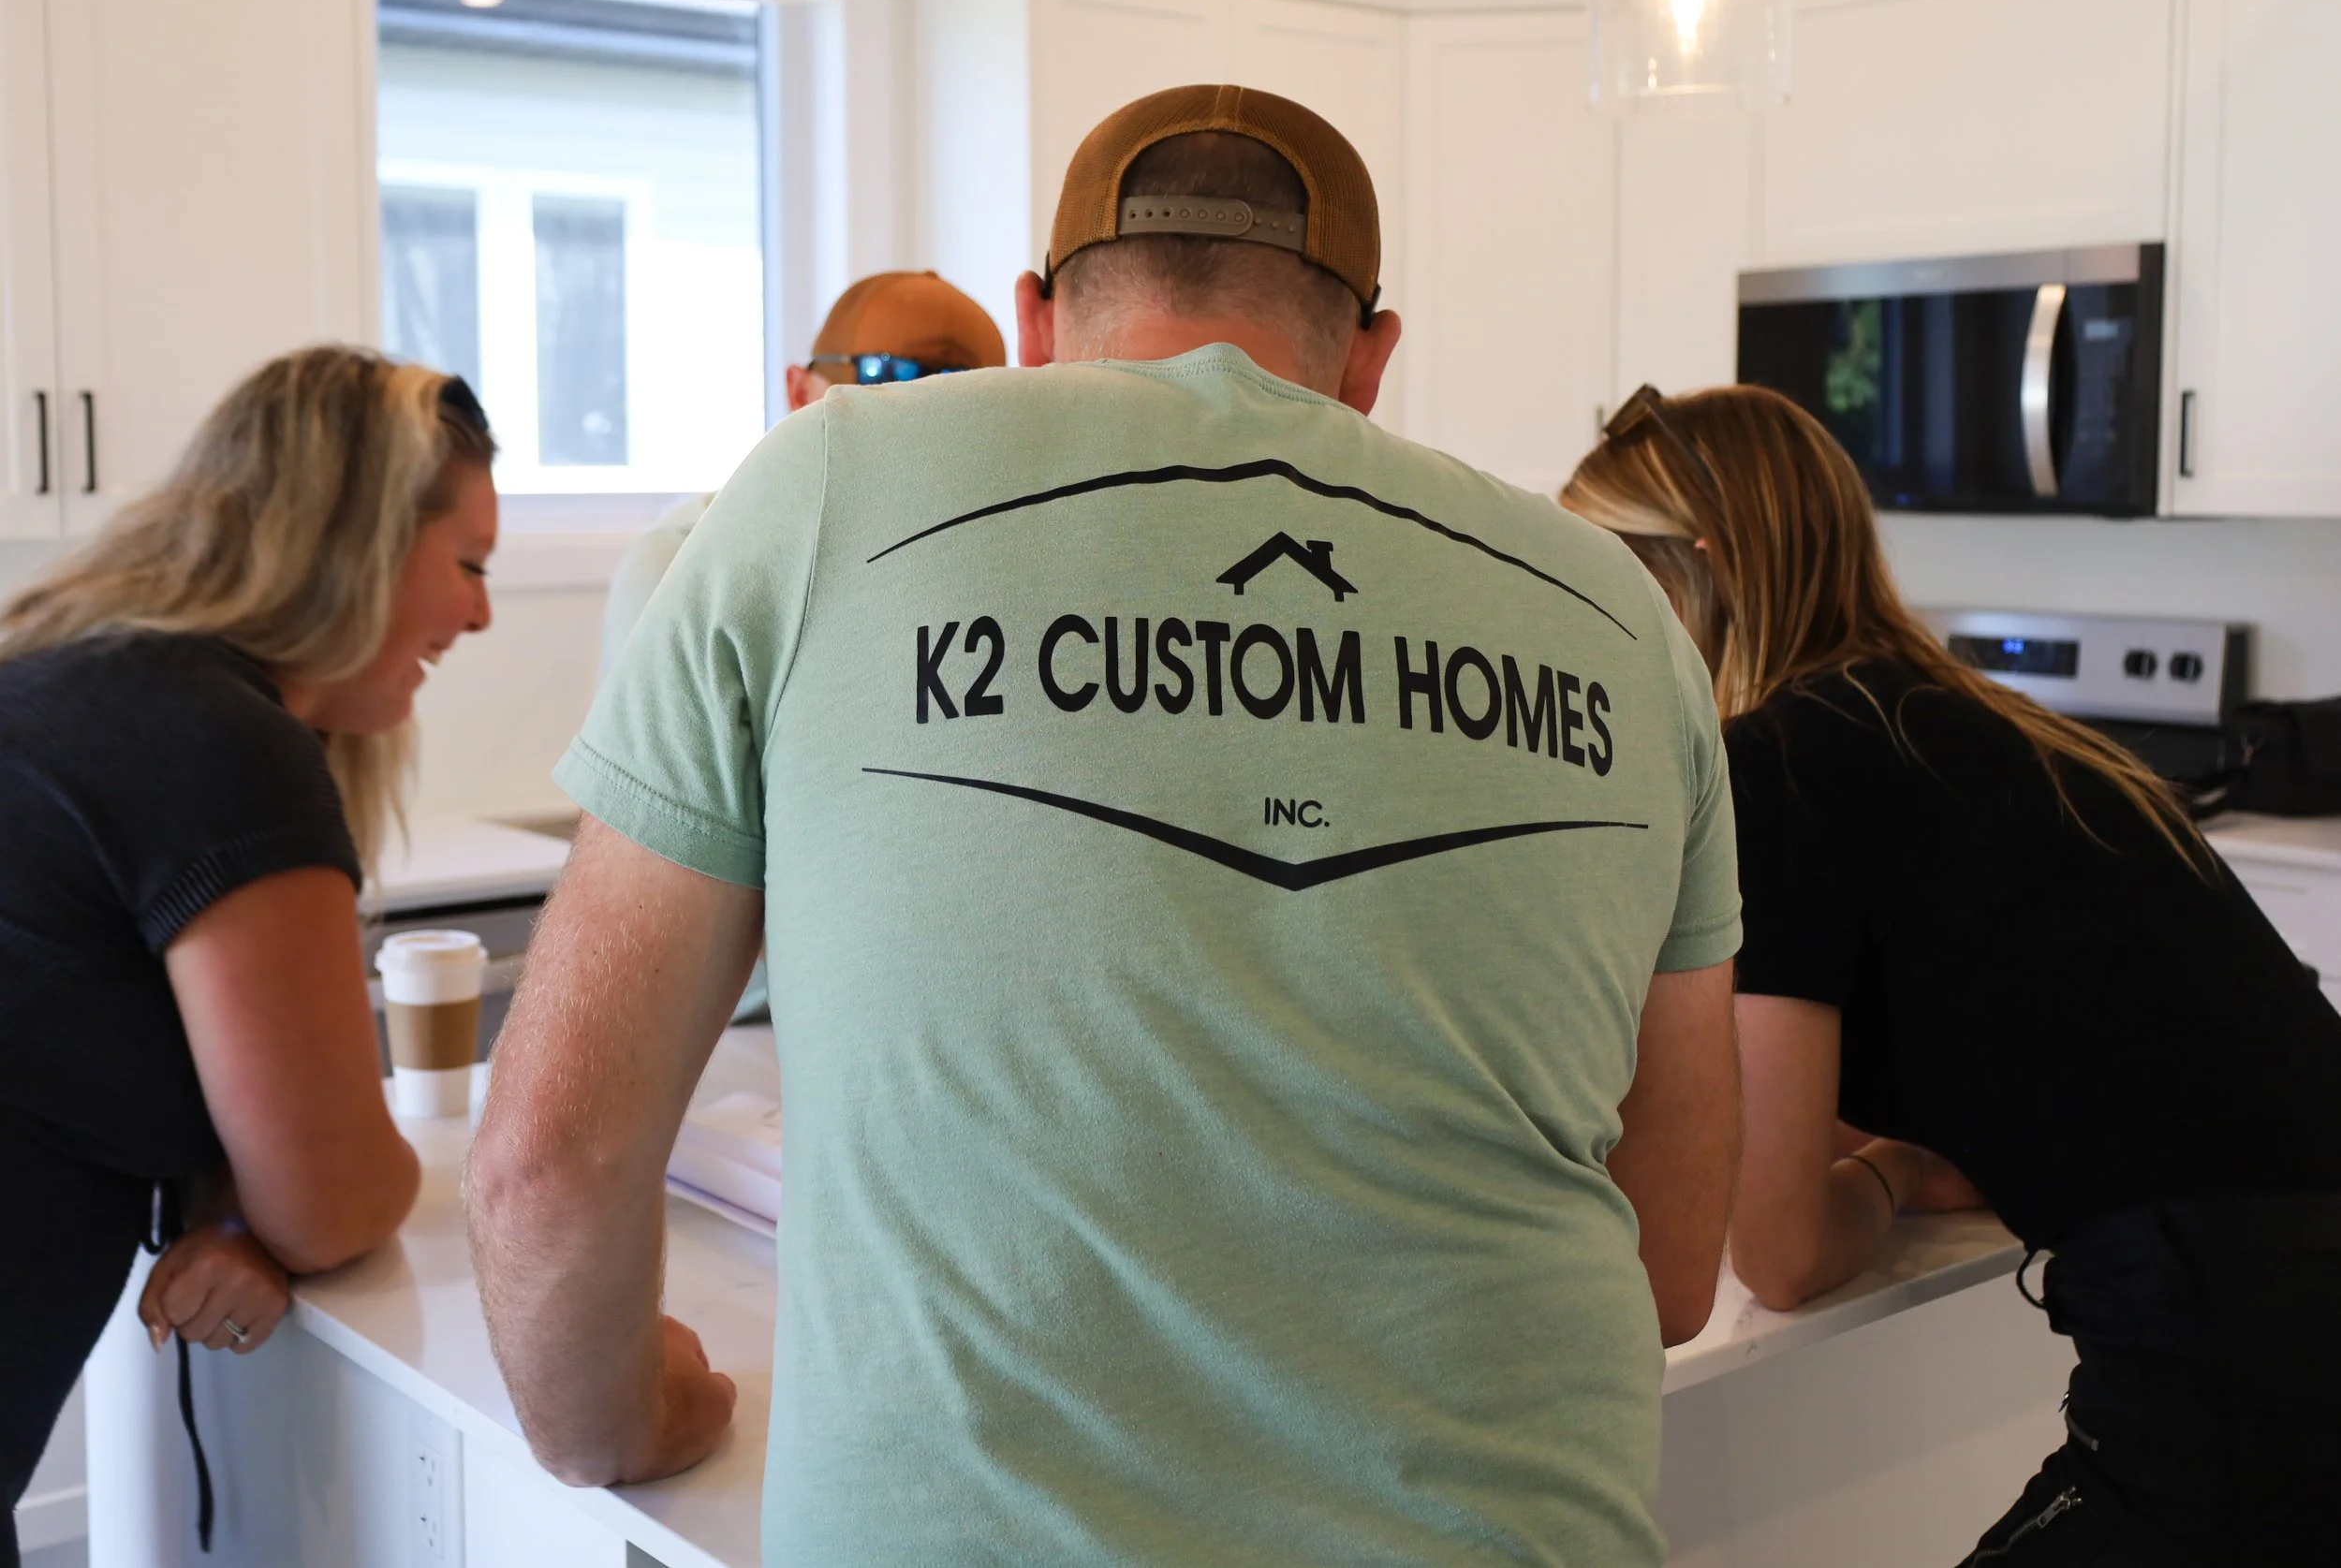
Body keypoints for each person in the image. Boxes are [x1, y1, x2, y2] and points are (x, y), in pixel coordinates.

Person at [474, 84, 1741, 1563]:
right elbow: (1666, 1268)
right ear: (1375, 353)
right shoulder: (1623, 620)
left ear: (1032, 315)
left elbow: (545, 1159)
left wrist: (615, 1423)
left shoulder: (824, 488)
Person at [1563, 383, 2341, 1565]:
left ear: (1695, 575)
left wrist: (1882, 1173)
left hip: (2244, 1342)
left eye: (1602, 577)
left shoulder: (1784, 765)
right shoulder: (1958, 726)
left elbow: (1777, 1249)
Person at [0, 348, 497, 1566]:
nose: (481, 612)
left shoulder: (70, 676)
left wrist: (236, 1190)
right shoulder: (218, 738)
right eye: (470, 563)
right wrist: (278, 1206)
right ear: (362, 539)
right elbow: (333, 1194)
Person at [597, 269, 1006, 678]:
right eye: (884, 375)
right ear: (799, 391)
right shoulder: (682, 568)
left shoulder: (984, 561)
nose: (915, 428)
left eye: (961, 392)